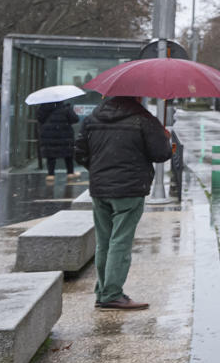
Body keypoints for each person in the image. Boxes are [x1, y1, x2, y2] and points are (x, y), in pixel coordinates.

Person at [74, 95, 172, 311]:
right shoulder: (143, 119)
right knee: (120, 241)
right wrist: (165, 138)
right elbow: (161, 154)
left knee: (104, 241)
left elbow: (79, 153)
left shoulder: (92, 118)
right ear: (137, 95)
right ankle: (112, 294)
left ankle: (103, 291)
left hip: (100, 189)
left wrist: (100, 170)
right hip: (129, 189)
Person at [36, 100, 80, 183]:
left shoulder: (44, 108)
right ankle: (70, 173)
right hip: (64, 134)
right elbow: (75, 119)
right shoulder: (65, 108)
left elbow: (39, 118)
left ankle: (50, 174)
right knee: (68, 155)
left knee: (51, 155)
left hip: (48, 135)